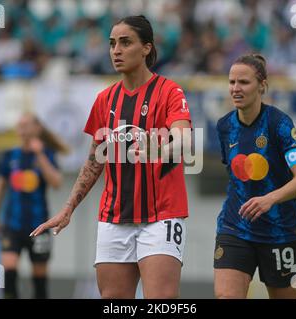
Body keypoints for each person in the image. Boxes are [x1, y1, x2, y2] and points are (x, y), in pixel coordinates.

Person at [30, 15, 192, 299]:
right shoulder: (105, 100)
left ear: (146, 48)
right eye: (112, 43)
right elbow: (95, 160)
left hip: (161, 216)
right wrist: (68, 208)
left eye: (125, 42)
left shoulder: (169, 91)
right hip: (113, 218)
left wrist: (161, 150)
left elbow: (184, 139)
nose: (116, 50)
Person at [214, 54, 296, 299]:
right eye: (231, 82)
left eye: (244, 82)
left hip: (282, 233)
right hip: (235, 227)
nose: (236, 88)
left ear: (262, 86)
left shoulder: (280, 124)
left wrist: (269, 199)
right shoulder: (224, 126)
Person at [0, 112, 69, 299]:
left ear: (37, 128)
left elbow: (56, 183)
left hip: (39, 225)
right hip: (12, 225)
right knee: (8, 271)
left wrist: (39, 154)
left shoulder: (47, 154)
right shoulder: (10, 156)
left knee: (39, 282)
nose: (22, 129)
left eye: (26, 125)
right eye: (20, 125)